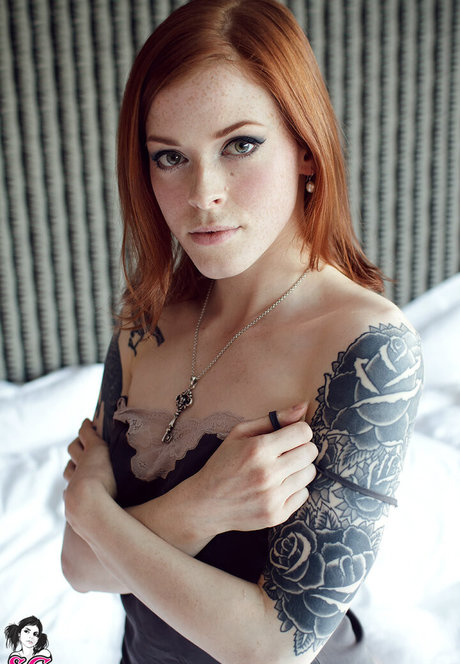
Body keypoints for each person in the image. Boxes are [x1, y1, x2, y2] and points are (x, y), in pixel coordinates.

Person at [61, 1, 424, 662]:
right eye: (170, 156)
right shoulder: (148, 321)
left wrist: (93, 513)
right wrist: (203, 504)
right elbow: (79, 570)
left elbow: (275, 649)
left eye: (240, 145)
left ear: (305, 150)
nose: (203, 194)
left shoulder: (368, 348)